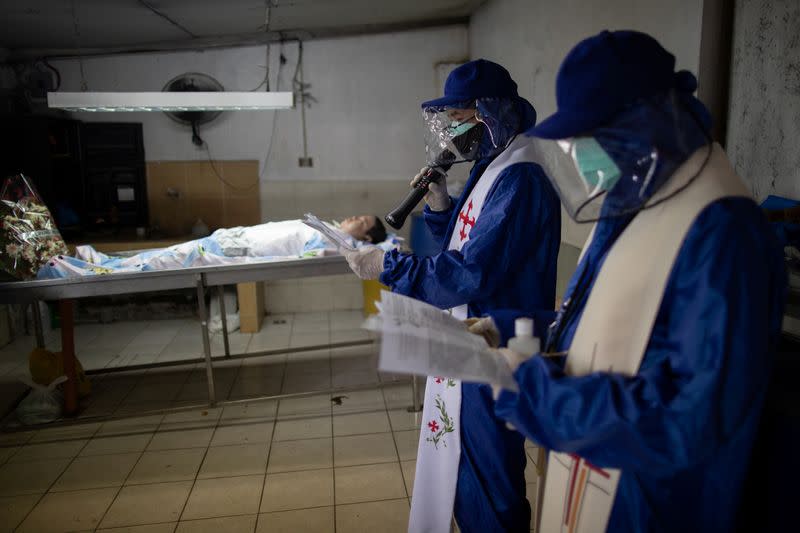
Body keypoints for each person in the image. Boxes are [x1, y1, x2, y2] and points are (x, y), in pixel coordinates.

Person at [480, 31, 787, 532]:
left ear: (646, 125)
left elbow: (692, 421)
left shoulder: (723, 233)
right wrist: (506, 325)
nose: (582, 158)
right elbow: (600, 325)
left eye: (592, 138)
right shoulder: (640, 202)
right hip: (610, 474)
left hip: (652, 504)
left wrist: (539, 397)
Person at [344, 59, 561, 532]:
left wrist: (390, 266)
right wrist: (441, 205)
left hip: (498, 341)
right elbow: (465, 243)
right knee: (464, 465)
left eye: (460, 118)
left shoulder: (520, 177)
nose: (452, 132)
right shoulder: (491, 166)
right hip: (474, 336)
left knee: (492, 475)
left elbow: (471, 274)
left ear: (491, 113)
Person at [37, 215, 388, 278]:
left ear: (365, 237)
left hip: (224, 252)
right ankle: (89, 260)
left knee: (151, 264)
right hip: (228, 241)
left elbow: (316, 254)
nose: (353, 217)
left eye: (362, 221)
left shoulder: (339, 242)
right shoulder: (325, 225)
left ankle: (72, 266)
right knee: (153, 258)